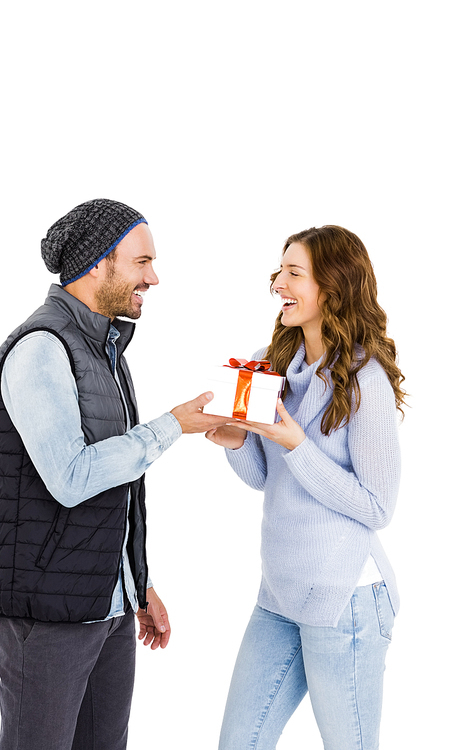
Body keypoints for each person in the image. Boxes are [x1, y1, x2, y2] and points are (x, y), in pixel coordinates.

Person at [0, 198, 229, 750]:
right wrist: (171, 427)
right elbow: (71, 477)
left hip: (106, 605)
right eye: (142, 262)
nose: (153, 277)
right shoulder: (41, 348)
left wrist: (138, 583)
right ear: (97, 263)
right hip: (46, 613)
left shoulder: (104, 348)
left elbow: (116, 485)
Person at [206, 225, 406, 750]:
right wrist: (234, 441)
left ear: (333, 288)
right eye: (280, 271)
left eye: (294, 273)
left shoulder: (366, 381)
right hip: (279, 593)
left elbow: (377, 507)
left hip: (346, 600)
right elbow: (264, 479)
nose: (278, 284)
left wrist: (296, 443)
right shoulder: (271, 362)